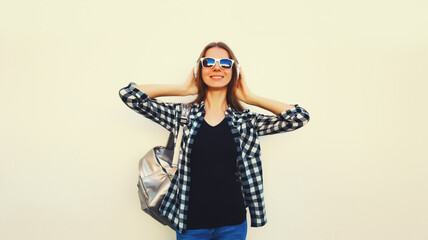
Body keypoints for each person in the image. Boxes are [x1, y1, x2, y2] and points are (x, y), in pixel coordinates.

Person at [118, 41, 310, 240]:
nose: (217, 67)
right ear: (199, 70)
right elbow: (129, 95)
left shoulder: (245, 122)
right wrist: (184, 89)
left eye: (225, 63)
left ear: (234, 72)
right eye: (208, 62)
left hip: (232, 224)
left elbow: (299, 117)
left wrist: (249, 97)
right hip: (189, 224)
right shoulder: (182, 116)